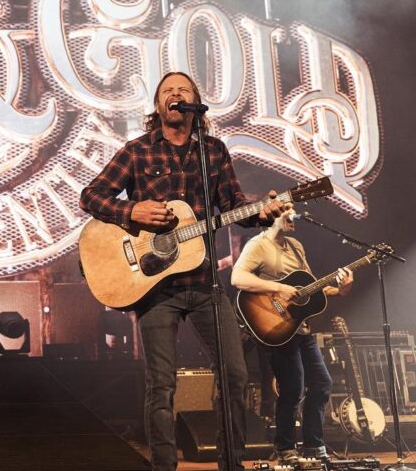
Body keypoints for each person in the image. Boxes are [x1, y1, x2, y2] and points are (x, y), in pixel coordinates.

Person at [80, 71, 287, 471]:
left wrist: (260, 212)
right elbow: (91, 195)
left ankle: (232, 464)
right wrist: (131, 210)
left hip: (205, 283)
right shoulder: (137, 151)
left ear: (195, 102)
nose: (175, 95)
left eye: (183, 90)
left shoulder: (213, 151)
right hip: (155, 290)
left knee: (235, 377)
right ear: (158, 106)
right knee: (161, 385)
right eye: (167, 91)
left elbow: (233, 206)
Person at [230, 208, 353, 460]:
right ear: (273, 216)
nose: (294, 218)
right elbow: (237, 278)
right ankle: (285, 447)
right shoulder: (258, 245)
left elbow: (308, 288)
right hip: (274, 324)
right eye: (288, 214)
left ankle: (313, 446)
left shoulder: (296, 246)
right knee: (293, 388)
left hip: (299, 327)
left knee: (321, 383)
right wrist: (279, 288)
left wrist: (340, 290)